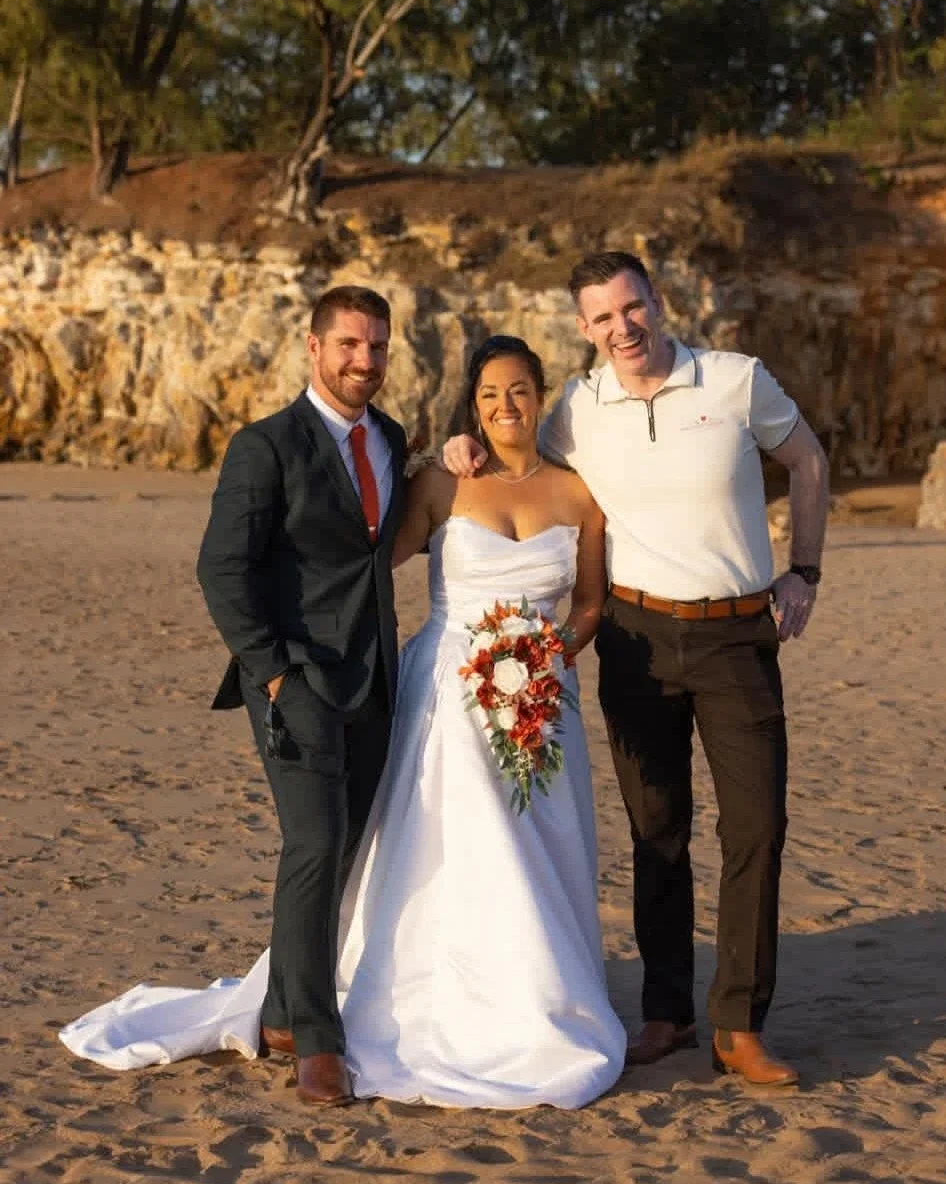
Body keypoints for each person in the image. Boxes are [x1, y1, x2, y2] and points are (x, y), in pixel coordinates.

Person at [59, 334, 627, 1111]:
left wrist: (550, 659)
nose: (505, 407)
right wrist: (287, 640)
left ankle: (539, 997)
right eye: (490, 394)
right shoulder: (439, 483)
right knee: (453, 844)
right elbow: (357, 561)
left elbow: (591, 602)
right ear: (472, 403)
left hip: (542, 699)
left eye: (520, 390)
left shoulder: (578, 494)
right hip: (447, 695)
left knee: (537, 848)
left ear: (543, 394)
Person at [443, 251, 830, 1087]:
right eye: (603, 318)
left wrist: (805, 571)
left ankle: (740, 1025)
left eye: (632, 308)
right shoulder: (578, 407)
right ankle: (667, 1013)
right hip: (634, 637)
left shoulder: (735, 380)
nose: (623, 328)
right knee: (657, 831)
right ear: (584, 330)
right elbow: (514, 448)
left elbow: (808, 461)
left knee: (756, 826)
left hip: (736, 637)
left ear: (658, 300)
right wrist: (463, 443)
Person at [196, 284, 407, 1106]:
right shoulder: (266, 446)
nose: (365, 360)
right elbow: (220, 569)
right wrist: (276, 672)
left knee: (347, 842)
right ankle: (315, 1041)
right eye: (350, 344)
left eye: (379, 347)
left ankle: (284, 1006)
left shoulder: (390, 439)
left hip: (378, 676)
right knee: (315, 841)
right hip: (297, 680)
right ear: (312, 349)